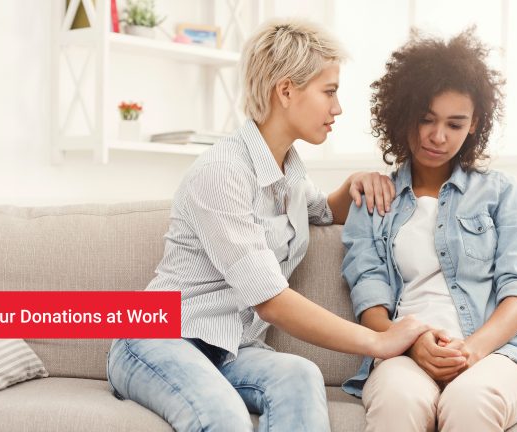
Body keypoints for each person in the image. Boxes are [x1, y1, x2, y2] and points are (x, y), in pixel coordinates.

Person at [106, 19, 429, 432]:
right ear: (286, 90)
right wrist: (379, 340)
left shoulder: (289, 171)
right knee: (223, 416)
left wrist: (355, 185)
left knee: (300, 374)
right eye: (329, 91)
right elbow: (270, 300)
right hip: (158, 339)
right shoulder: (223, 171)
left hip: (232, 348)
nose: (338, 107)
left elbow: (325, 211)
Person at [340, 29, 517, 432]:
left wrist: (473, 350)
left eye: (454, 124)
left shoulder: (501, 192)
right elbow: (368, 294)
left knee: (470, 400)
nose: (438, 136)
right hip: (404, 354)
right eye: (425, 119)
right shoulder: (374, 199)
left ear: (474, 124)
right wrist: (410, 343)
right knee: (397, 402)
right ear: (402, 114)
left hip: (498, 354)